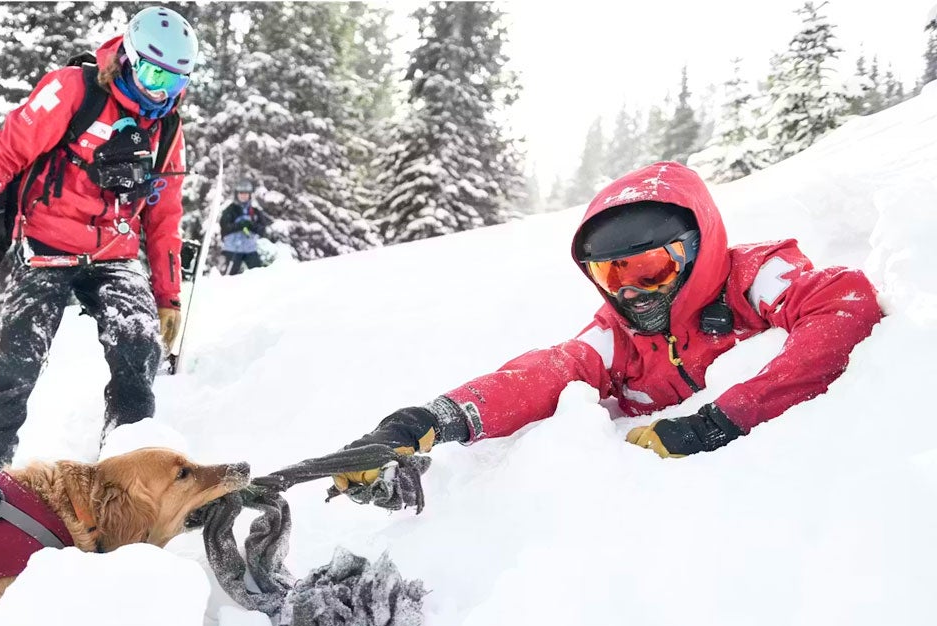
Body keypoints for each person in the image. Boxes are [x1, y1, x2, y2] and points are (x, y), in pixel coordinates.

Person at [331, 162, 883, 500]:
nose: (633, 291)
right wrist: (426, 419)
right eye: (612, 273)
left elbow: (846, 304)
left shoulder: (753, 279)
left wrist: (726, 419)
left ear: (699, 250)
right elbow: (542, 375)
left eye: (651, 268)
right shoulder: (616, 336)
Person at [0, 7, 197, 483]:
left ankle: (126, 457)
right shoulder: (74, 90)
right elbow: (7, 149)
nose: (158, 91)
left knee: (137, 341)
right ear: (127, 57)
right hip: (48, 243)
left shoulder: (167, 130)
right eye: (150, 73)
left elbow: (164, 216)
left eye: (171, 82)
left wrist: (167, 297)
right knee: (18, 355)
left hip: (113, 252)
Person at [219, 179, 274, 275]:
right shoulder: (230, 210)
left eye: (246, 193)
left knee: (259, 276)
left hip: (250, 250)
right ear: (237, 194)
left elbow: (262, 230)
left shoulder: (255, 211)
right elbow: (224, 228)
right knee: (228, 279)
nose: (243, 196)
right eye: (241, 193)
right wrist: (239, 225)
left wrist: (252, 226)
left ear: (250, 195)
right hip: (232, 250)